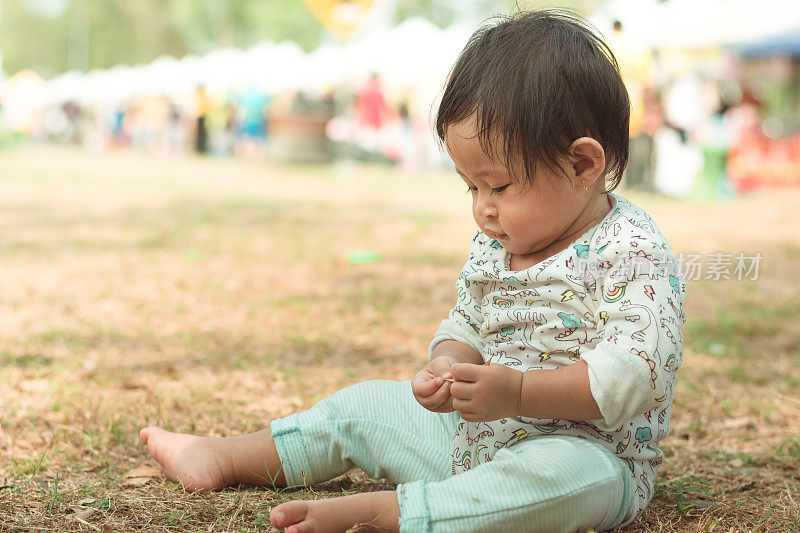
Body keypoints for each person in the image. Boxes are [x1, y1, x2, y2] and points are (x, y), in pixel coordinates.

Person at [139, 10, 686, 532]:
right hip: (471, 438)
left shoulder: (631, 252)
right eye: (470, 186)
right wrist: (446, 365)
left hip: (588, 456)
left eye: (498, 186)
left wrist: (518, 393)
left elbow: (630, 376)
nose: (482, 208)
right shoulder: (500, 240)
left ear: (582, 165)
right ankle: (223, 456)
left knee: (559, 483)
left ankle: (397, 513)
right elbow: (470, 317)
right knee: (364, 406)